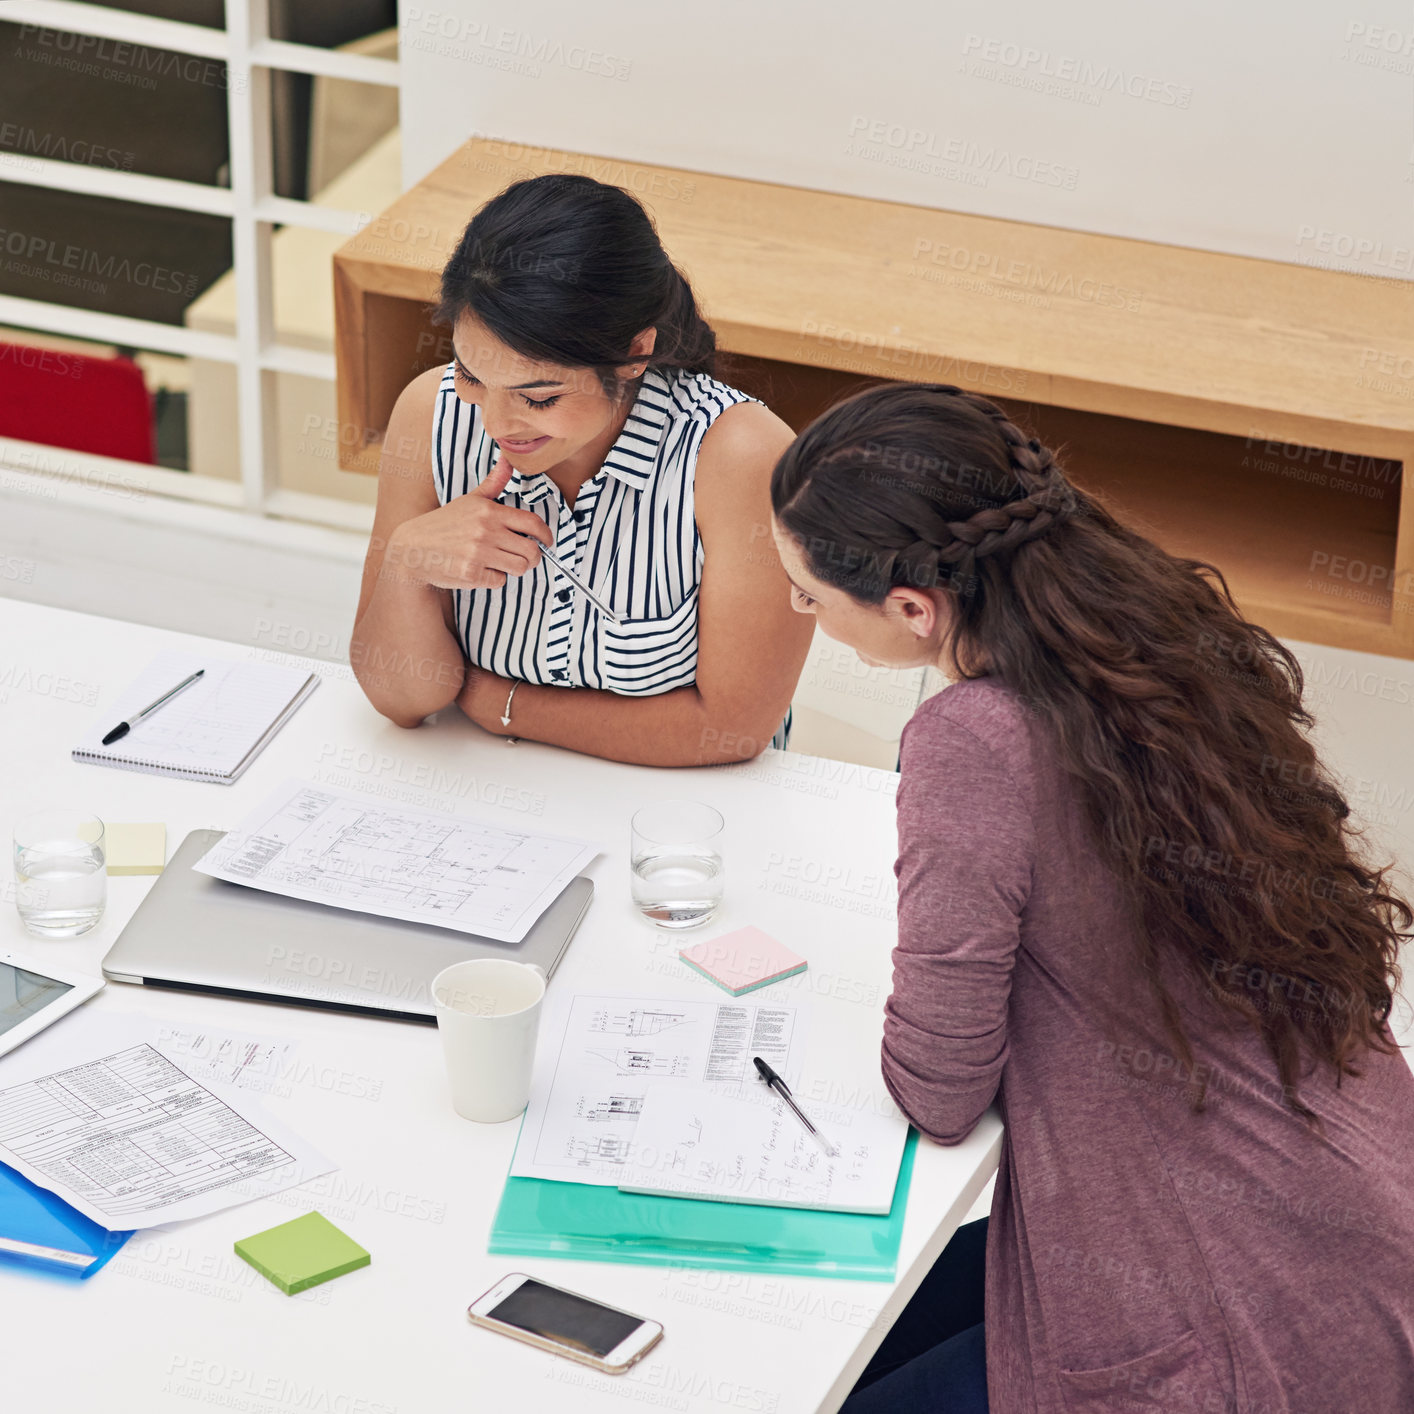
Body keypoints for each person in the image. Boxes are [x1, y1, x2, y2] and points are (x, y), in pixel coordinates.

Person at [769, 382, 1414, 1413]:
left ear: (911, 607)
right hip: (1361, 1206)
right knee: (862, 1336)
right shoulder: (1150, 630)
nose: (801, 615)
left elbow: (938, 1092)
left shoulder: (972, 740)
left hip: (1231, 1308)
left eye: (808, 594)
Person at [352, 173, 811, 766]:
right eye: (471, 376)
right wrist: (407, 563)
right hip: (488, 788)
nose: (494, 423)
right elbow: (400, 702)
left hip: (686, 812)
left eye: (538, 397)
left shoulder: (740, 455)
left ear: (634, 354)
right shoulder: (429, 412)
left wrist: (499, 704)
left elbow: (729, 728)